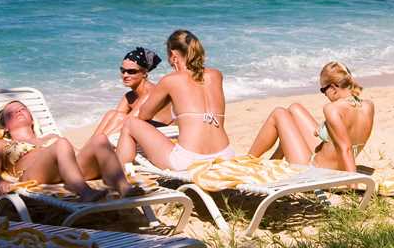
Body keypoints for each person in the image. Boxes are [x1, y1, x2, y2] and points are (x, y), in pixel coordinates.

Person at [115, 29, 234, 171]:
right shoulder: (216, 75)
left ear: (173, 55)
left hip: (190, 160)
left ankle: (121, 178)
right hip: (225, 156)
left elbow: (143, 115)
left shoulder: (170, 80)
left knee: (130, 123)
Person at [0, 100, 137, 200]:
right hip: (33, 175)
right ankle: (83, 191)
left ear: (31, 119)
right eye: (11, 113)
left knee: (100, 139)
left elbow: (77, 154)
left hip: (68, 170)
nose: (18, 112)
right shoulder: (0, 143)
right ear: (5, 126)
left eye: (22, 109)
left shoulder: (51, 136)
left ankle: (122, 186)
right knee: (61, 143)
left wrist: (106, 156)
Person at [246, 62, 375, 172]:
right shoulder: (368, 106)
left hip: (315, 169)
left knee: (278, 113)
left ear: (333, 88)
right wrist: (325, 129)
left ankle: (246, 162)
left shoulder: (332, 109)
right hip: (334, 164)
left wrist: (353, 185)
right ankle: (274, 160)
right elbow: (348, 136)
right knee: (294, 108)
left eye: (323, 90)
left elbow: (345, 148)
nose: (324, 94)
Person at [92, 47, 171, 139]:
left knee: (121, 118)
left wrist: (103, 140)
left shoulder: (150, 92)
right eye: (123, 70)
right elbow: (116, 119)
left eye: (131, 71)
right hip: (146, 131)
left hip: (165, 134)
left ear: (144, 73)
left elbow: (126, 122)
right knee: (111, 114)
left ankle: (95, 147)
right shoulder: (129, 96)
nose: (125, 75)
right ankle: (89, 148)